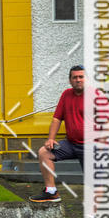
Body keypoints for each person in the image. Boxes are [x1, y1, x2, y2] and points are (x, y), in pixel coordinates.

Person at [29, 65, 85, 203]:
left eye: (81, 77)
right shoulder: (66, 94)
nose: (78, 80)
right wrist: (51, 139)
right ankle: (51, 192)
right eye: (75, 77)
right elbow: (57, 118)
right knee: (44, 152)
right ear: (70, 80)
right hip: (71, 143)